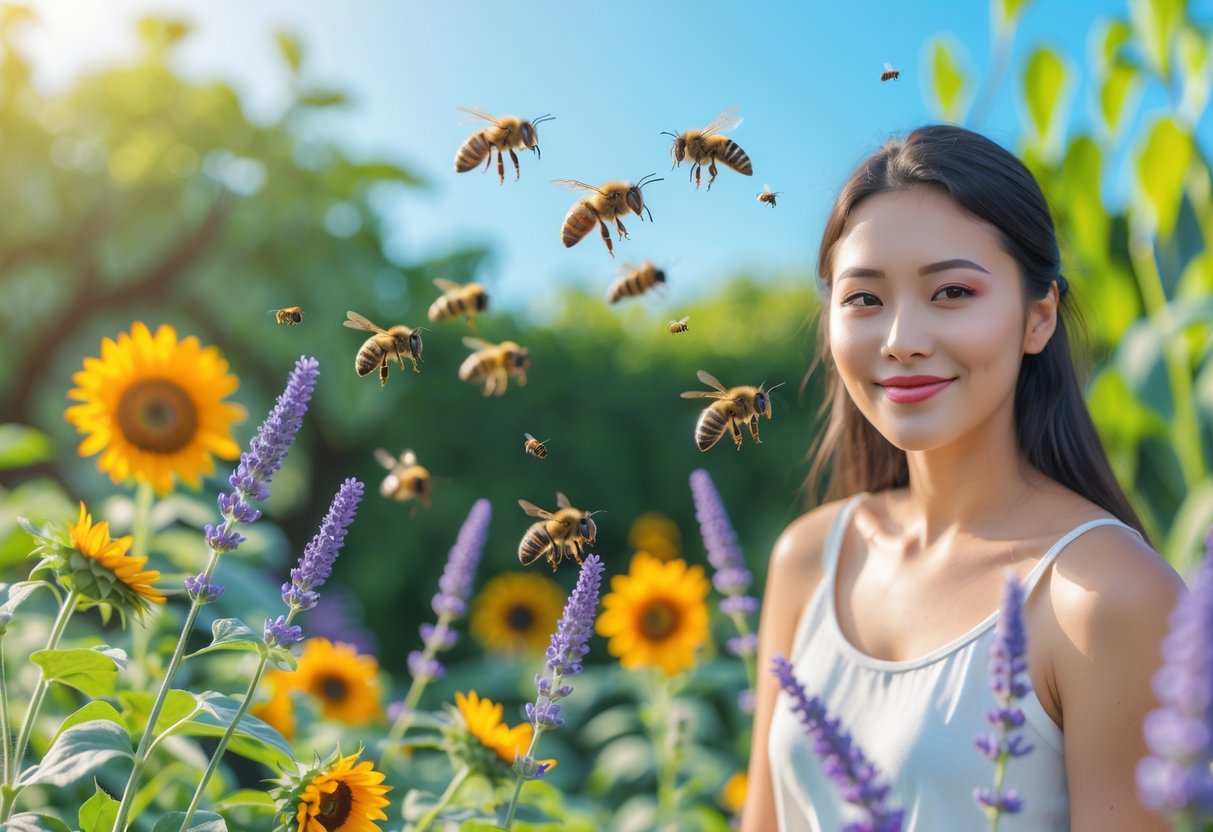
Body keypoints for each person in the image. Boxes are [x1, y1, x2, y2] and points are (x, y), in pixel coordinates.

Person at [742, 125, 1185, 832]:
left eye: (950, 291)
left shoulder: (1107, 599)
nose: (901, 339)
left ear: (1037, 317)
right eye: (863, 299)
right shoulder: (808, 558)